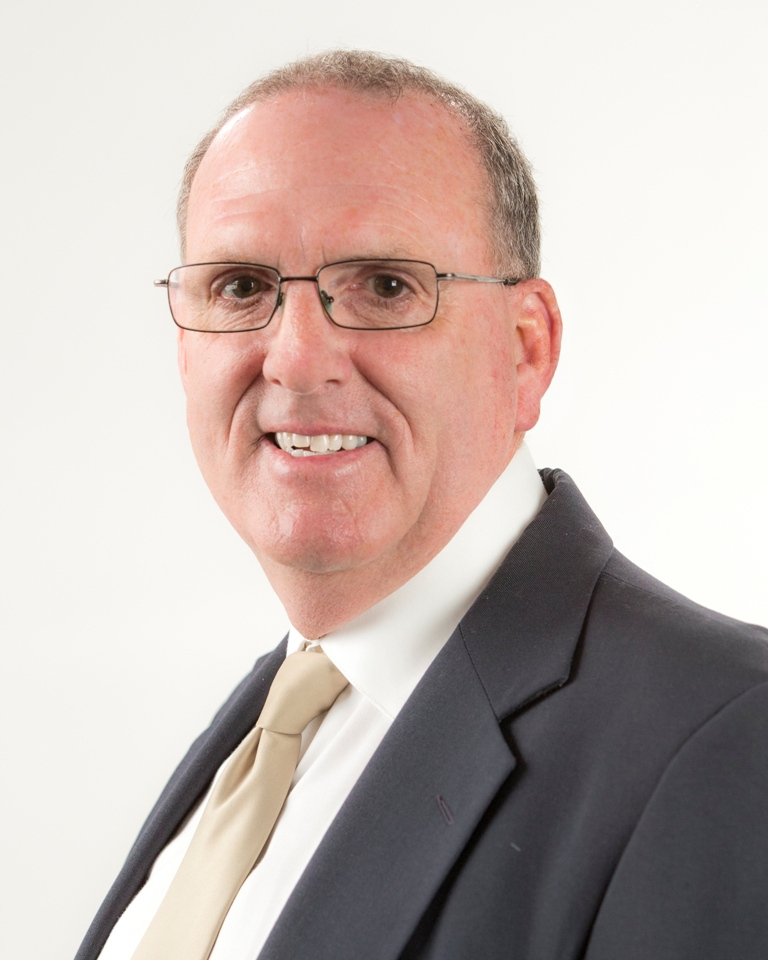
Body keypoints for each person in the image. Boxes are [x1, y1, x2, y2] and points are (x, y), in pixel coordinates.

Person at [75, 50, 768, 960]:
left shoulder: (730, 743)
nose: (296, 359)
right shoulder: (268, 728)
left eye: (386, 286)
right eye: (240, 287)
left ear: (526, 349)